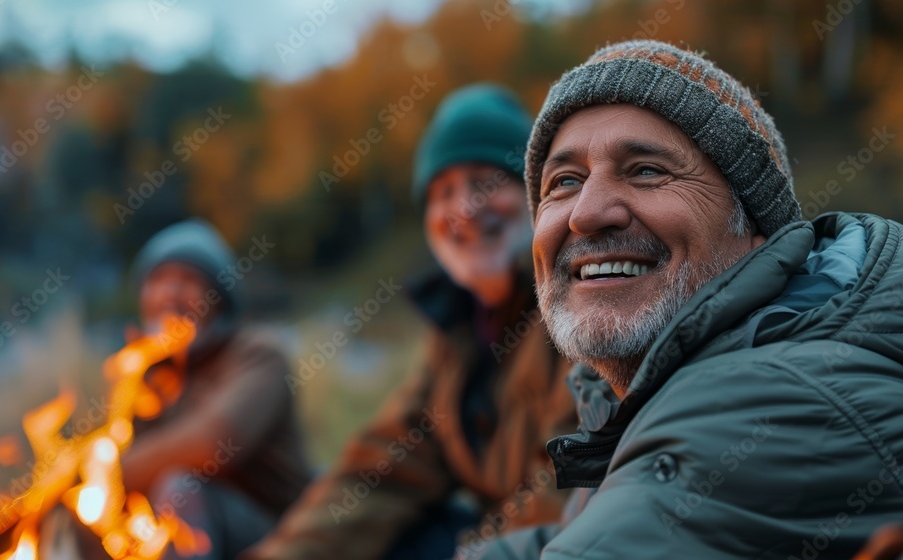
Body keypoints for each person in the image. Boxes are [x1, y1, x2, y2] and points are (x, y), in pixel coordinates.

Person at [479, 40, 903, 559]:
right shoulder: (641, 397)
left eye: (646, 170)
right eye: (564, 181)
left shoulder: (768, 398)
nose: (587, 213)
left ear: (757, 234)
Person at [242, 84, 576, 560]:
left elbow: (570, 492)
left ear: (536, 193)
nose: (464, 208)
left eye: (486, 181)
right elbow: (382, 473)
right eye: (443, 191)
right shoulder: (456, 335)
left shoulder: (577, 310)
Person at [122, 219, 311, 559]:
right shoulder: (145, 380)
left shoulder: (258, 355)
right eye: (158, 280)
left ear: (219, 298)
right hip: (177, 536)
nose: (170, 294)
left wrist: (101, 475)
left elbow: (212, 445)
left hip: (280, 535)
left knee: (179, 489)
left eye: (188, 280)